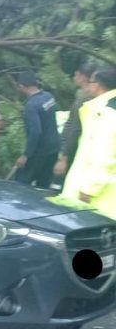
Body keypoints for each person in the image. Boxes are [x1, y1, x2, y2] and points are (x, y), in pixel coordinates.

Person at [60, 66, 116, 219]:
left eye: (90, 81)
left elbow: (105, 155)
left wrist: (89, 189)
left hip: (99, 198)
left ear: (97, 85)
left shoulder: (105, 113)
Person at [13, 70, 59, 188]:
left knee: (21, 184)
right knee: (43, 186)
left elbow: (35, 131)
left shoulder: (31, 106)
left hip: (38, 153)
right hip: (53, 150)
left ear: (21, 86)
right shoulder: (48, 96)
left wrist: (26, 155)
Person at [54, 62, 97, 178]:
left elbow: (75, 127)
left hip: (74, 147)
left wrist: (64, 157)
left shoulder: (85, 98)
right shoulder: (82, 94)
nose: (74, 78)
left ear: (83, 77)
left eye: (76, 75)